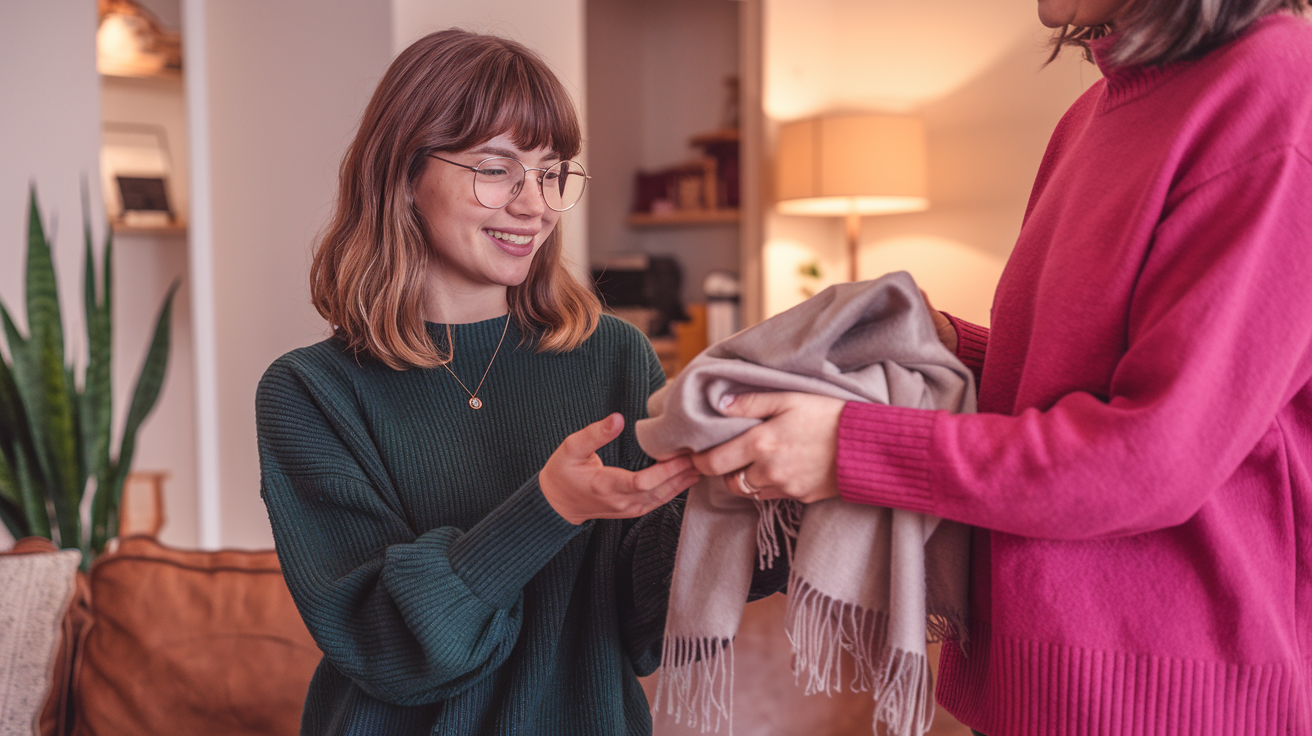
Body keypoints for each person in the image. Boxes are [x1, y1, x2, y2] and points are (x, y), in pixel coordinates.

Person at [692, 0, 1312, 733]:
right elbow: (1071, 382)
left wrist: (849, 447)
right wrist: (945, 345)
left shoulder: (1276, 89)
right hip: (1032, 679)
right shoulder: (1092, 113)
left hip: (1169, 695)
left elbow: (1151, 457)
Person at [255, 30, 728, 735]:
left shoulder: (614, 358)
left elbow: (640, 626)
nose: (534, 205)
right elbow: (390, 646)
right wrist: (550, 506)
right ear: (405, 175)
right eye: (497, 168)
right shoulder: (310, 393)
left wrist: (751, 501)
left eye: (551, 171)